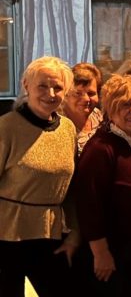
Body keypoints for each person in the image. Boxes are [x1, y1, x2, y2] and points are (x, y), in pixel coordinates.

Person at [75, 74, 131, 297]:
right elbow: (89, 206)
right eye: (125, 104)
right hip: (111, 256)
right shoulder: (101, 149)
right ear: (110, 109)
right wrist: (101, 253)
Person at [0, 56, 77, 296]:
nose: (50, 94)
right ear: (26, 85)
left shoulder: (68, 129)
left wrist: (74, 234)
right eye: (42, 86)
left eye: (58, 87)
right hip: (6, 235)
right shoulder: (6, 127)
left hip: (51, 234)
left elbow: (71, 188)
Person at [61, 62, 105, 154]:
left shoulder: (100, 117)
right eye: (78, 93)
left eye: (91, 93)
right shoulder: (58, 124)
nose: (86, 99)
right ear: (66, 94)